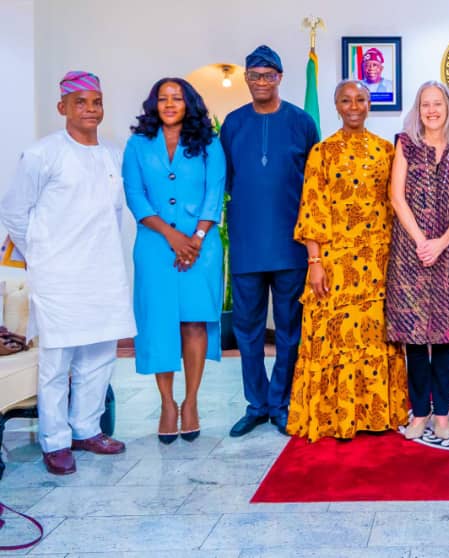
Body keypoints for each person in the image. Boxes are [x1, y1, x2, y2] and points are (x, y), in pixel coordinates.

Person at [0, 71, 135, 475]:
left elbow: (113, 213)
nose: (90, 109)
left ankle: (87, 429)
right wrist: (40, 255)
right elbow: (13, 212)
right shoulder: (42, 154)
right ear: (62, 108)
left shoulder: (112, 154)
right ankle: (55, 440)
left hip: (105, 270)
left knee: (99, 357)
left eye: (96, 102)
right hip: (58, 274)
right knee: (57, 361)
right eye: (81, 102)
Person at [287, 80, 410, 442]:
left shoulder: (386, 150)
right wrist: (315, 262)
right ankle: (334, 417)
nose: (354, 105)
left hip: (376, 262)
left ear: (369, 104)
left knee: (374, 337)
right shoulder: (321, 153)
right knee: (336, 338)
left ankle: (375, 414)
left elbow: (395, 207)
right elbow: (312, 209)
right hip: (335, 263)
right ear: (336, 106)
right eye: (346, 100)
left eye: (360, 99)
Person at [220, 45, 319, 437]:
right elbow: (224, 179)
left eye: (268, 76)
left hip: (291, 245)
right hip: (246, 245)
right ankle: (256, 403)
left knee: (290, 330)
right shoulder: (232, 123)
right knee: (247, 331)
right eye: (254, 76)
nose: (261, 82)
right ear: (246, 78)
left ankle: (281, 403)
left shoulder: (301, 122)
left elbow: (314, 183)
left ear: (280, 78)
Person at [122, 77, 224, 444]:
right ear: (154, 104)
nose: (169, 104)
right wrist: (171, 235)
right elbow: (135, 195)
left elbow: (215, 192)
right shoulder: (137, 144)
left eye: (176, 98)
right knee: (160, 323)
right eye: (163, 98)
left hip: (202, 245)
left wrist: (194, 238)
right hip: (154, 246)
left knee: (194, 322)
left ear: (188, 103)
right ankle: (167, 403)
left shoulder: (209, 141)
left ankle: (191, 402)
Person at [386, 81, 449, 440]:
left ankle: (443, 414)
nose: (432, 110)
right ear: (417, 111)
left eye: (437, 104)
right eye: (425, 105)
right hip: (410, 251)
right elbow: (396, 196)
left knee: (444, 334)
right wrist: (422, 241)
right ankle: (420, 413)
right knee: (416, 337)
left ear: (448, 108)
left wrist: (442, 242)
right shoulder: (405, 144)